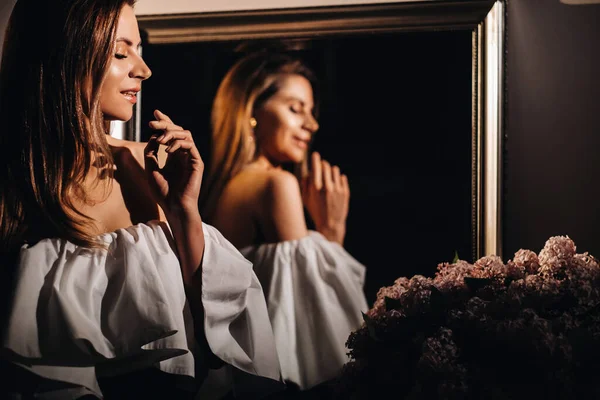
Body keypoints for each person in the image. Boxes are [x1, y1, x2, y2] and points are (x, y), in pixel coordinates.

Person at [0, 1, 282, 399]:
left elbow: (218, 343)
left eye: (139, 49)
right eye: (121, 51)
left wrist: (184, 211)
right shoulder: (16, 184)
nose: (143, 69)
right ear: (63, 55)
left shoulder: (147, 166)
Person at [199, 50, 369, 392]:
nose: (312, 124)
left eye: (311, 111)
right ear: (252, 112)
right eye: (295, 108)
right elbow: (321, 327)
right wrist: (332, 230)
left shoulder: (221, 191)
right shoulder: (276, 184)